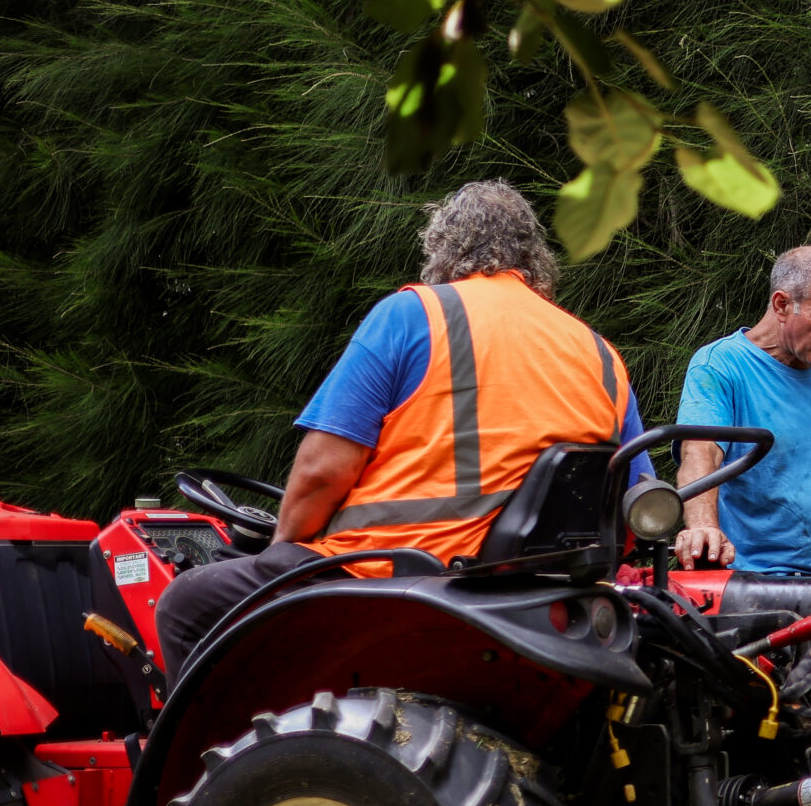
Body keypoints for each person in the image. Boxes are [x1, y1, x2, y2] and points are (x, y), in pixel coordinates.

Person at [157, 181, 646, 675]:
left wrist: (283, 544)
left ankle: (232, 752)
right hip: (548, 592)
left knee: (186, 603)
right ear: (535, 256)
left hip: (394, 577)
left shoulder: (414, 315)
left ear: (440, 250)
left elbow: (324, 471)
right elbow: (630, 509)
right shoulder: (599, 352)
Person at [672, 245, 811, 707]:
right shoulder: (721, 367)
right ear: (782, 304)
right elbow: (700, 448)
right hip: (768, 588)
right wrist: (701, 524)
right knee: (776, 734)